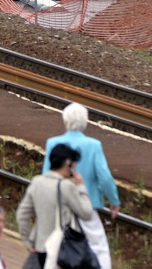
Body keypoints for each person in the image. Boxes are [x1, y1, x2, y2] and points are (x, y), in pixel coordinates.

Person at [43, 102, 120, 269]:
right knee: (98, 246)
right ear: (85, 123)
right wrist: (114, 200)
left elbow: (46, 176)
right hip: (87, 203)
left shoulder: (52, 143)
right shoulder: (94, 145)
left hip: (59, 203)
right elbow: (104, 177)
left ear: (65, 121)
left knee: (56, 243)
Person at [19, 143, 94, 269]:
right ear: (68, 163)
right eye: (74, 165)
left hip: (39, 247)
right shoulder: (66, 186)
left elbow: (22, 214)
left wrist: (27, 241)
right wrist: (81, 186)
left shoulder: (37, 181)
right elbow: (86, 213)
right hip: (61, 250)